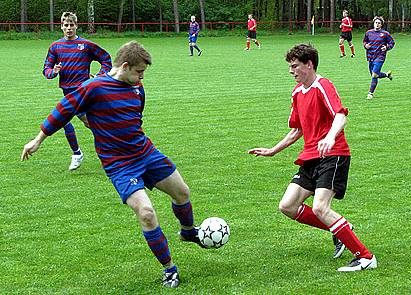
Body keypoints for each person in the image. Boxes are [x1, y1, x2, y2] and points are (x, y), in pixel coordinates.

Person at [22, 41, 205, 288]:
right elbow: (63, 110)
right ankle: (169, 269)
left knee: (182, 191)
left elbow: (135, 117)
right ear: (126, 66)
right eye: (139, 71)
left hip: (145, 152)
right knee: (147, 213)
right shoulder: (94, 87)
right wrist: (38, 139)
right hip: (119, 165)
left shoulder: (137, 88)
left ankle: (187, 231)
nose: (141, 77)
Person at [248, 44, 377, 272]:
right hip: (310, 158)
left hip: (333, 154)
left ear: (309, 64)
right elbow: (296, 130)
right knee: (287, 206)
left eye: (295, 66)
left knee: (320, 208)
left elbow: (340, 115)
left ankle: (365, 257)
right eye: (290, 66)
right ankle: (340, 228)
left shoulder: (322, 85)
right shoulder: (297, 93)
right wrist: (273, 150)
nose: (291, 71)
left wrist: (329, 137)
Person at [43, 12, 112, 170]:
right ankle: (81, 153)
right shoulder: (55, 47)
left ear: (76, 26)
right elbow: (46, 70)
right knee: (87, 124)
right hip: (67, 93)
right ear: (61, 27)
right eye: (65, 25)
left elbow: (106, 59)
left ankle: (88, 153)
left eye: (71, 25)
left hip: (83, 92)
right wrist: (53, 72)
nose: (68, 28)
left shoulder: (86, 45)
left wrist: (99, 77)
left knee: (66, 120)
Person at [363, 16, 395, 100]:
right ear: (373, 23)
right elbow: (364, 41)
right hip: (370, 56)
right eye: (376, 23)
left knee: (374, 75)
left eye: (379, 23)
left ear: (381, 25)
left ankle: (370, 93)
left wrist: (386, 47)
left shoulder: (385, 34)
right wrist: (366, 45)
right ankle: (387, 75)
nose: (377, 24)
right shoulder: (368, 33)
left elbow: (392, 42)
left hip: (380, 57)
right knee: (375, 75)